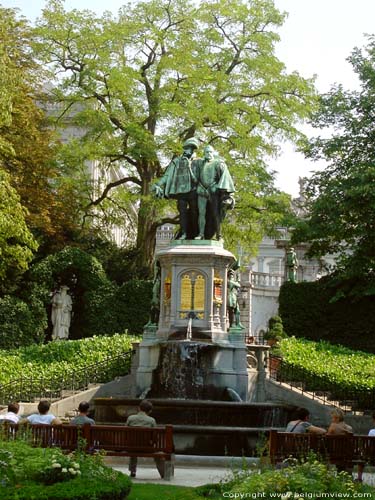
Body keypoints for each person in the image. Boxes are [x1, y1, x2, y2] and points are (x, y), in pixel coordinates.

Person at [153, 137, 200, 240]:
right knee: (182, 212)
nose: (187, 150)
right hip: (180, 191)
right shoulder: (177, 161)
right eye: (186, 147)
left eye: (190, 148)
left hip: (193, 191)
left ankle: (196, 233)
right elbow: (166, 175)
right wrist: (158, 184)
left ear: (193, 149)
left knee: (194, 212)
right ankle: (183, 233)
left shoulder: (198, 162)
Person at [193, 145, 235, 240]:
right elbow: (196, 177)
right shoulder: (199, 163)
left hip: (213, 191)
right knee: (201, 213)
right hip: (202, 191)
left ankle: (219, 235)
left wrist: (224, 192)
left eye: (210, 152)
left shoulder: (218, 163)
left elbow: (224, 179)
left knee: (215, 213)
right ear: (204, 153)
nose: (208, 154)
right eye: (206, 152)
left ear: (213, 152)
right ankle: (201, 234)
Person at [125, 400, 164, 479]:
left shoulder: (131, 418)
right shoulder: (151, 420)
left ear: (139, 408)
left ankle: (132, 471)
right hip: (147, 448)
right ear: (150, 411)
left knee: (133, 447)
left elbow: (125, 431)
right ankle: (163, 473)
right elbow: (155, 436)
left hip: (132, 447)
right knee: (158, 454)